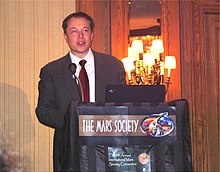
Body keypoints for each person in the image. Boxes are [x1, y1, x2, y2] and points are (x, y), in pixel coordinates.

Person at [35, 12, 126, 171]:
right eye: (74, 31)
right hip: (70, 149)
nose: (80, 36)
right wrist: (74, 122)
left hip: (111, 149)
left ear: (92, 34)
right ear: (65, 36)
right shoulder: (52, 71)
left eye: (85, 30)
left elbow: (125, 105)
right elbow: (43, 111)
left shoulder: (113, 66)